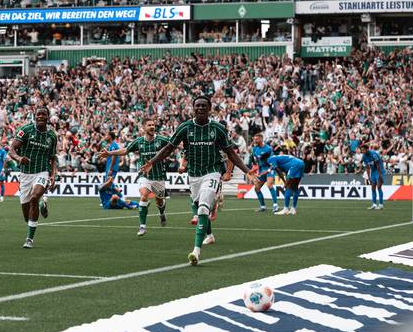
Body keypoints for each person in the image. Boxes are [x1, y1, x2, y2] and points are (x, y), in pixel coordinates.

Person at [142, 95, 254, 266]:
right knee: (199, 206)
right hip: (193, 175)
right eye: (198, 105)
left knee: (202, 209)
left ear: (209, 109)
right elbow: (169, 148)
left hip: (212, 172)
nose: (200, 108)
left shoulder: (217, 128)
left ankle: (196, 251)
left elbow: (231, 153)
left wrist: (247, 171)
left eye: (204, 106)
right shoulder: (185, 128)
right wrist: (152, 162)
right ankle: (209, 233)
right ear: (193, 108)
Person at [98, 118, 169, 236]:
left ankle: (162, 213)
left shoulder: (161, 140)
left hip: (159, 176)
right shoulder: (139, 141)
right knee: (144, 195)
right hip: (144, 175)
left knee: (159, 201)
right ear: (143, 128)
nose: (152, 127)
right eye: (149, 125)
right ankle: (142, 226)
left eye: (153, 125)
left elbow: (173, 145)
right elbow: (125, 150)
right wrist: (109, 153)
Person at [8, 106, 58, 249]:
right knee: (26, 215)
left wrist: (53, 174)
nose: (40, 117)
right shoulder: (26, 130)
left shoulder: (52, 136)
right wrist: (18, 158)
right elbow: (12, 149)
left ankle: (29, 239)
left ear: (48, 118)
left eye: (43, 114)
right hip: (25, 174)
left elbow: (53, 157)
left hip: (42, 171)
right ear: (34, 116)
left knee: (34, 197)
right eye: (38, 114)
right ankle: (42, 204)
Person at [251, 133, 279, 214]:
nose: (255, 141)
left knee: (269, 185)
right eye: (254, 139)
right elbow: (256, 162)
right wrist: (256, 171)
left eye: (256, 139)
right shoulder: (255, 149)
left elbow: (273, 160)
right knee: (257, 188)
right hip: (262, 170)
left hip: (269, 169)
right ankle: (263, 206)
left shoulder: (268, 148)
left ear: (261, 139)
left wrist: (270, 169)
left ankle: (275, 205)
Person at [361, 144, 386, 210]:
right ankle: (374, 204)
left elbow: (378, 165)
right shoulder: (364, 157)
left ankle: (381, 205)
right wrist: (369, 177)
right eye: (362, 150)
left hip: (379, 170)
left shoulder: (374, 154)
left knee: (379, 187)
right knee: (373, 188)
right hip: (373, 171)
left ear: (367, 149)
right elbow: (367, 167)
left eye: (363, 150)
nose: (362, 151)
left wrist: (380, 176)